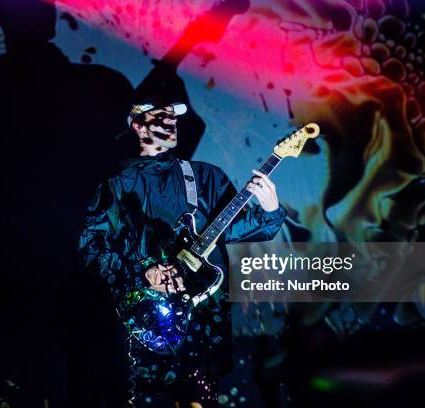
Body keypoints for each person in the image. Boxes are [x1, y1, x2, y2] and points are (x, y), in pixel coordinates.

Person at [77, 95, 287, 407]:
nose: (171, 121)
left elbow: (238, 230)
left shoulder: (204, 177)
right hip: (141, 325)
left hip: (199, 323)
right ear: (138, 126)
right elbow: (90, 248)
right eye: (161, 115)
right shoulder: (115, 184)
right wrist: (142, 271)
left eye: (174, 117)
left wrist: (270, 210)